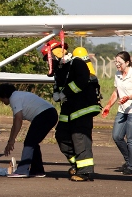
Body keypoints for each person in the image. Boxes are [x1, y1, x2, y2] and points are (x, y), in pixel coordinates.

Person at [42, 39, 102, 182]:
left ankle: (85, 172)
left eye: (47, 58)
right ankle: (77, 164)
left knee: (79, 138)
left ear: (55, 54)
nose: (47, 62)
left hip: (83, 108)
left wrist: (65, 93)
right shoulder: (61, 69)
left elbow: (82, 80)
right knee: (61, 136)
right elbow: (59, 85)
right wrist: (56, 94)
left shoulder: (77, 63)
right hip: (69, 109)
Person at [0, 83, 58, 178]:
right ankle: (38, 170)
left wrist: (12, 141)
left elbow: (18, 120)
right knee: (33, 142)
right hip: (50, 114)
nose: (1, 101)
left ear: (4, 95)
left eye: (0, 98)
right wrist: (10, 141)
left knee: (29, 142)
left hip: (45, 115)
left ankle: (22, 170)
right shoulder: (18, 96)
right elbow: (15, 123)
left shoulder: (14, 98)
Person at [101, 51, 132, 175]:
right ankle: (128, 161)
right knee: (117, 136)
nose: (117, 64)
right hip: (122, 111)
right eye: (115, 62)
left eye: (119, 62)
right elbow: (116, 92)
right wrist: (108, 105)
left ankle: (131, 166)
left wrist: (129, 97)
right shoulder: (117, 74)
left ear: (127, 63)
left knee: (131, 139)